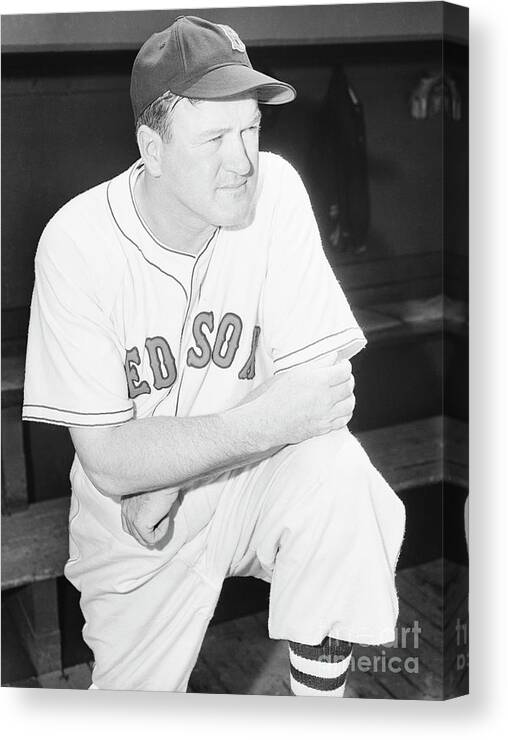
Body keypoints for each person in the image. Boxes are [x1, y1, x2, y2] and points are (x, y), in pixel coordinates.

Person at [22, 16, 405, 696]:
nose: (243, 159)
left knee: (340, 474)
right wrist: (268, 415)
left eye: (252, 128)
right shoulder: (77, 243)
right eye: (215, 138)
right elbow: (111, 463)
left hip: (229, 489)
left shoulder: (275, 190)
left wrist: (168, 474)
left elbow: (325, 386)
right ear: (153, 146)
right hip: (135, 533)